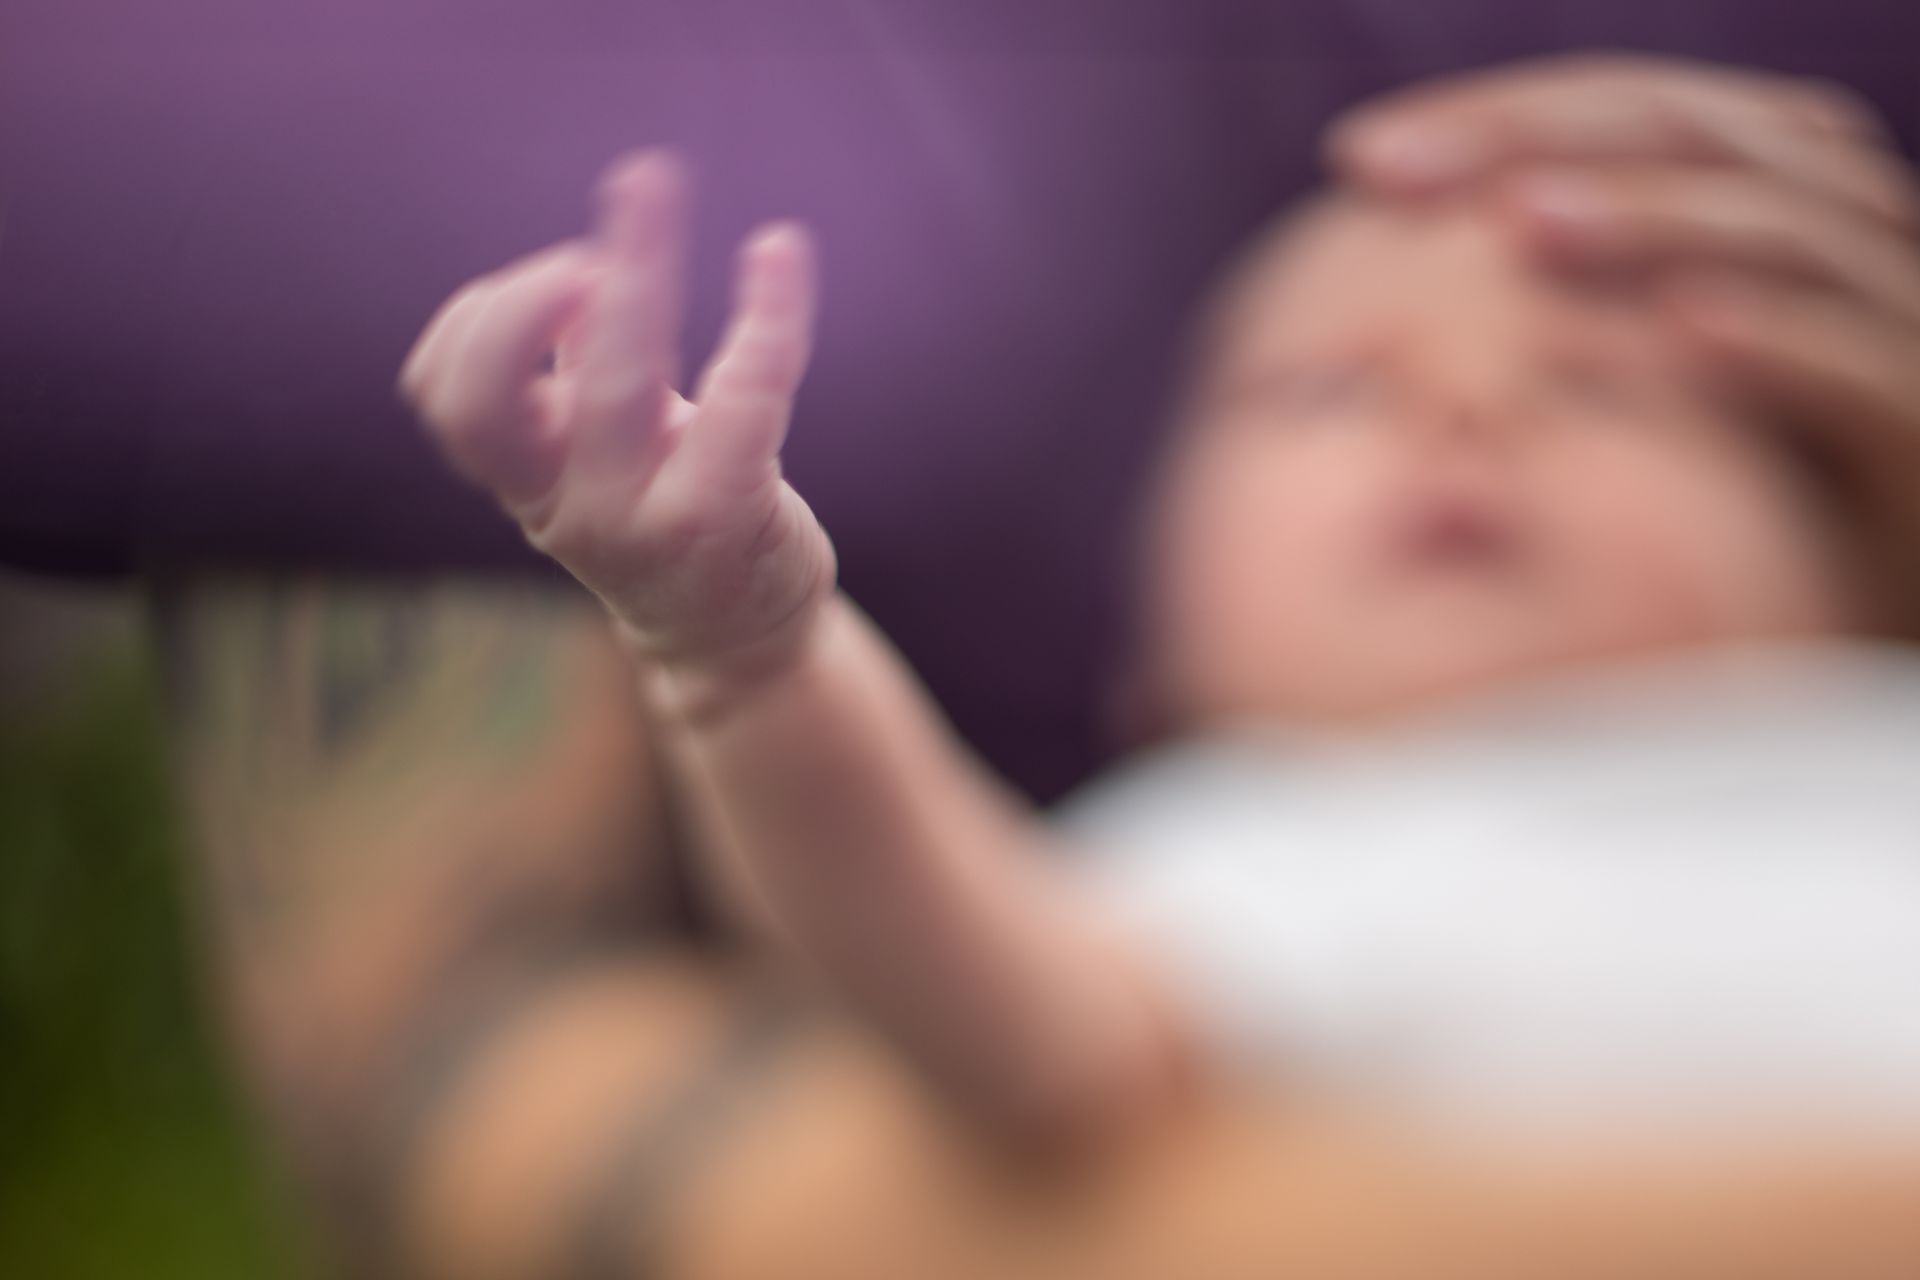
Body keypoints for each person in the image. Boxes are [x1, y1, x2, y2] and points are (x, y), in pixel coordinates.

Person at [169, 55, 1920, 1278]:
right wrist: (749, 657)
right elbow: (996, 1016)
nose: (1465, 410)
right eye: (1324, 390)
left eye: (1611, 388)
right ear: (1156, 671)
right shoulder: (1260, 853)